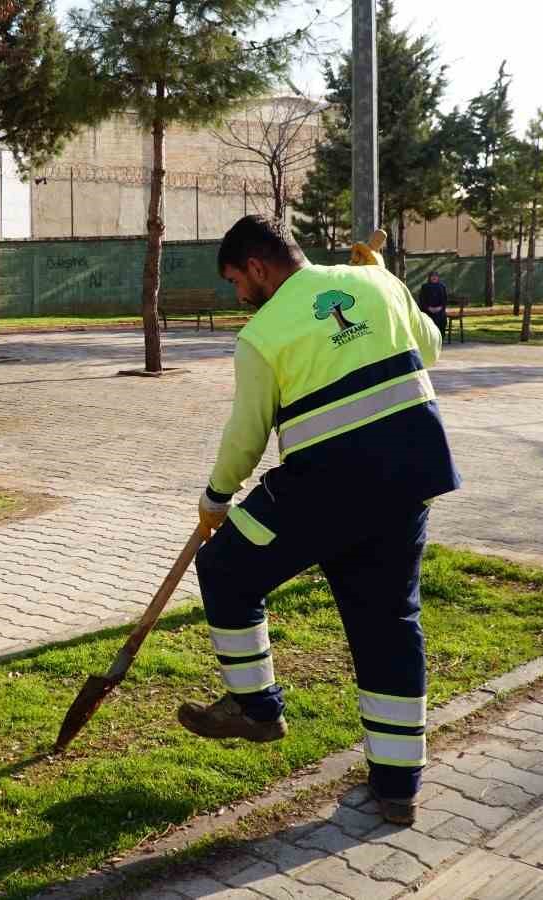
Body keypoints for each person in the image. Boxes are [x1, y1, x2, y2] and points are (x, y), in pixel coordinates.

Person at [182, 216, 460, 826]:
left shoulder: (262, 334)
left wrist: (216, 497)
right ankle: (397, 787)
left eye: (236, 281)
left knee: (225, 567)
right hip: (409, 477)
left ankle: (254, 707)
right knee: (387, 623)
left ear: (257, 268)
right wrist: (384, 277)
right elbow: (431, 347)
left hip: (324, 489)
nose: (238, 295)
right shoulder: (377, 285)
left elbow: (247, 432)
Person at [419, 271, 450, 340]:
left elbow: (445, 300)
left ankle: (440, 339)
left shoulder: (442, 286)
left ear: (438, 277)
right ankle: (429, 340)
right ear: (429, 277)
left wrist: (440, 308)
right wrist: (428, 308)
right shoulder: (425, 287)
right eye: (432, 276)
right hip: (427, 311)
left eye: (435, 276)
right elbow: (422, 300)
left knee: (442, 320)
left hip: (439, 310)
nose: (434, 277)